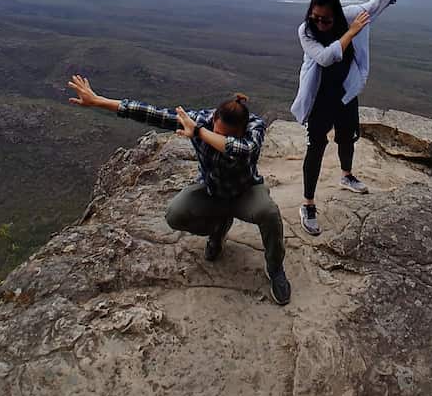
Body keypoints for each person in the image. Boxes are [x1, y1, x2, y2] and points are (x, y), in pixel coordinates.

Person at [67, 74, 290, 305]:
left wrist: (199, 133)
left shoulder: (254, 127)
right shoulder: (198, 119)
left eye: (227, 135)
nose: (219, 137)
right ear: (214, 117)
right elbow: (152, 113)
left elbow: (242, 149)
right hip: (211, 189)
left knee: (269, 213)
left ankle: (275, 269)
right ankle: (218, 229)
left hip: (245, 190)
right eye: (218, 131)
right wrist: (99, 101)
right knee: (175, 215)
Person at [290, 0, 418, 235]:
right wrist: (350, 33)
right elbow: (326, 57)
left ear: (336, 13)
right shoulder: (306, 31)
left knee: (347, 136)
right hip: (319, 99)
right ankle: (308, 204)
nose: (320, 23)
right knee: (316, 146)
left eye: (325, 19)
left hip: (344, 93)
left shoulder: (350, 16)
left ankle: (346, 175)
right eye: (315, 17)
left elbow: (377, 3)